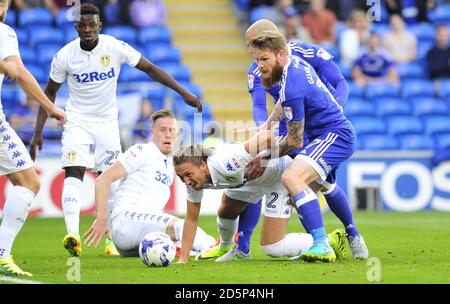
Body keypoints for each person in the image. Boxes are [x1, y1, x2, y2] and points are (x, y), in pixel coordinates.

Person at [29, 3, 202, 257]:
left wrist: (183, 92)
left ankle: (110, 237)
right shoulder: (65, 56)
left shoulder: (115, 47)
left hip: (107, 123)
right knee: (74, 171)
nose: (87, 29)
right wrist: (37, 131)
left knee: (109, 178)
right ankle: (73, 235)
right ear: (76, 27)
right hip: (77, 121)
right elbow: (50, 94)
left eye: (92, 25)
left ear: (100, 25)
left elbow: (150, 68)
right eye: (82, 25)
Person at [228, 18, 355, 262]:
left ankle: (343, 235)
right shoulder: (270, 70)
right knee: (298, 185)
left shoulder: (302, 56)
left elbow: (339, 82)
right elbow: (267, 106)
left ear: (273, 44)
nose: (251, 54)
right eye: (251, 51)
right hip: (297, 126)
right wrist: (261, 133)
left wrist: (264, 153)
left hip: (322, 130)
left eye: (254, 49)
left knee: (309, 181)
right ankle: (321, 243)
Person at [173, 134, 348, 264]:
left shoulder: (226, 161)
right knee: (226, 210)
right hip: (248, 181)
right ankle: (226, 246)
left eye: (188, 175)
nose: (186, 182)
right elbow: (191, 219)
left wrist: (265, 158)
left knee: (272, 247)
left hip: (277, 176)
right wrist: (183, 260)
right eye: (181, 178)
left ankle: (329, 240)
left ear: (202, 165)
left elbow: (266, 136)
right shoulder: (193, 181)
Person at [83, 109, 216, 257]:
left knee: (180, 246)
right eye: (162, 130)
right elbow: (103, 180)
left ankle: (195, 251)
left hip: (140, 234)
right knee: (180, 226)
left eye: (172, 130)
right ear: (153, 133)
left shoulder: (171, 164)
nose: (168, 134)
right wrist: (102, 219)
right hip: (127, 220)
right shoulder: (142, 151)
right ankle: (213, 246)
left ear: (177, 135)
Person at [0, 0, 66, 276]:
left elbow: (16, 72)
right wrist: (51, 107)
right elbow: (17, 72)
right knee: (29, 181)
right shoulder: (3, 33)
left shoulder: (5, 32)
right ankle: (2, 253)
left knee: (27, 181)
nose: (2, 5)